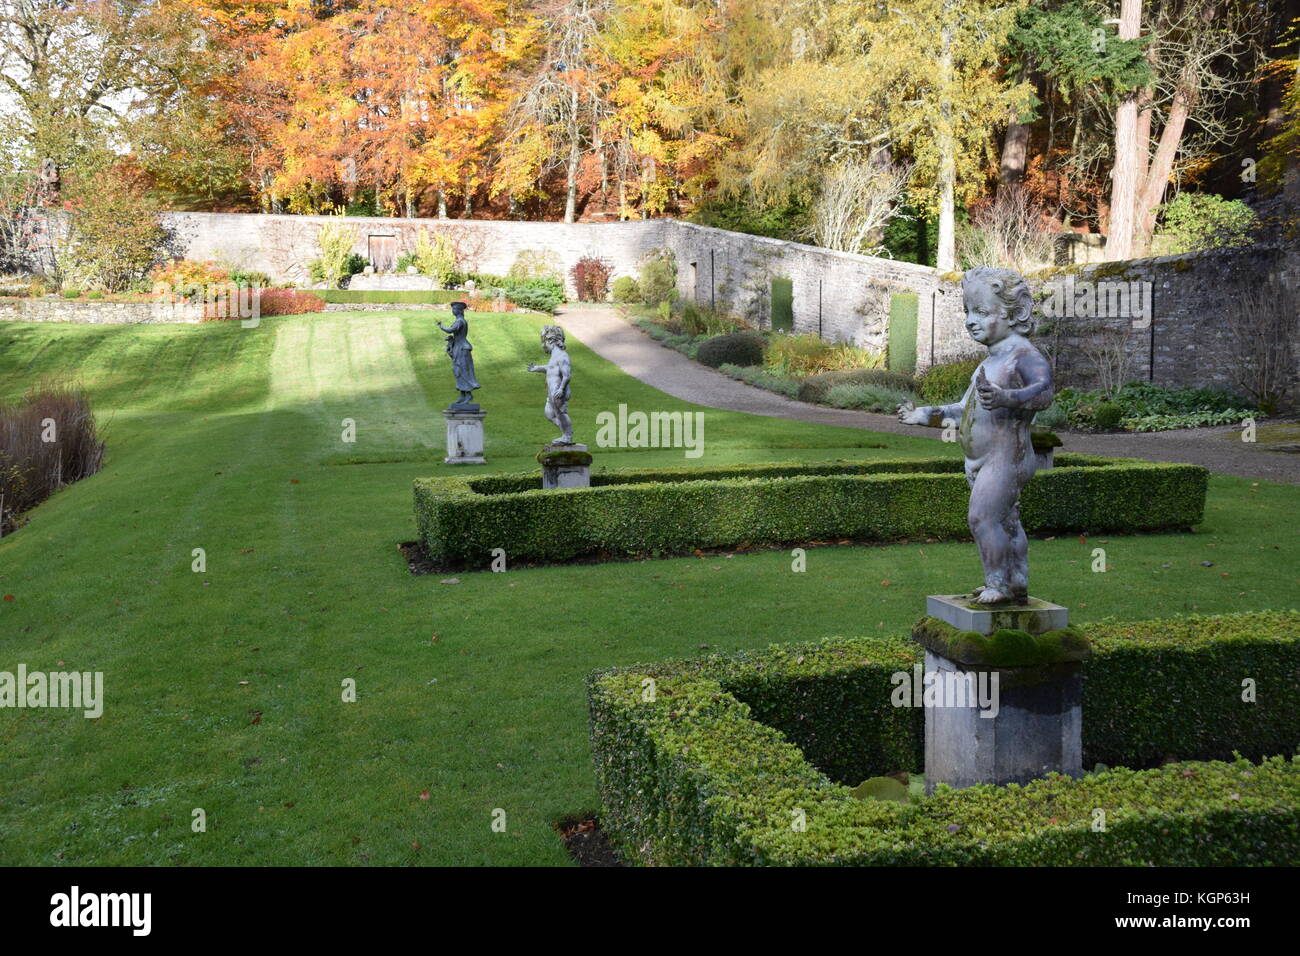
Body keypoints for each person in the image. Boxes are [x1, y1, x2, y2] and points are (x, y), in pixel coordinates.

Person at [898, 267, 1054, 605]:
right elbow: (964, 410)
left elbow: (1044, 393)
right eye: (968, 311)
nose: (971, 320)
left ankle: (998, 583)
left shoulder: (1024, 356)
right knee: (1007, 521)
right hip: (980, 460)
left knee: (982, 517)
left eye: (981, 312)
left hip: (1005, 458)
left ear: (1016, 313)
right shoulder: (991, 361)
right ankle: (1017, 581)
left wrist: (1006, 397)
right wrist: (923, 414)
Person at [525, 325, 574, 444]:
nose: (543, 345)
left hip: (558, 391)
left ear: (551, 341)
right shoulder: (554, 357)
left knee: (560, 413)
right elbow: (550, 368)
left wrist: (562, 389)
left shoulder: (562, 356)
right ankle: (566, 431)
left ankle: (567, 436)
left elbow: (567, 375)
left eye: (544, 342)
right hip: (551, 392)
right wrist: (536, 368)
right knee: (549, 414)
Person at [438, 301, 480, 408]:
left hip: (462, 349)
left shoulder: (460, 321)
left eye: (455, 309)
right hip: (458, 348)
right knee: (457, 370)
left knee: (462, 369)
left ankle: (468, 394)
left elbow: (450, 330)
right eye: (453, 309)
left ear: (460, 311)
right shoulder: (458, 320)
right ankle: (462, 394)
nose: (453, 311)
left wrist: (441, 326)